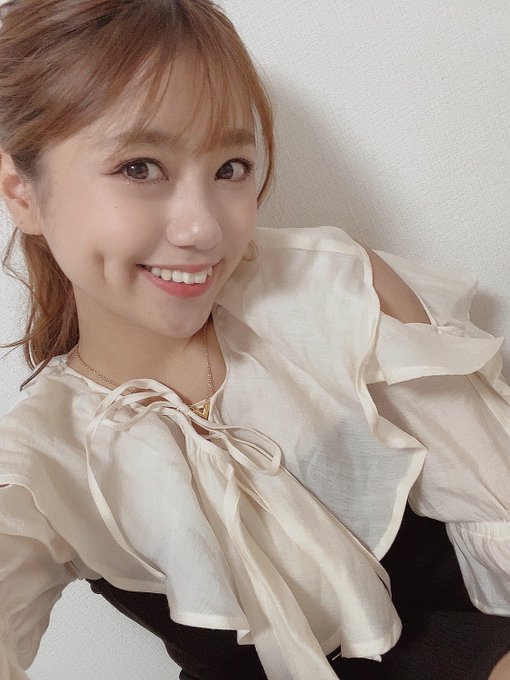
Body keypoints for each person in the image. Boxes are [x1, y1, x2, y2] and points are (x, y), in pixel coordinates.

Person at [0, 1, 508, 679]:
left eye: (230, 167)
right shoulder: (39, 464)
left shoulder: (329, 289)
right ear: (22, 192)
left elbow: (494, 503)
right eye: (140, 168)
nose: (203, 228)